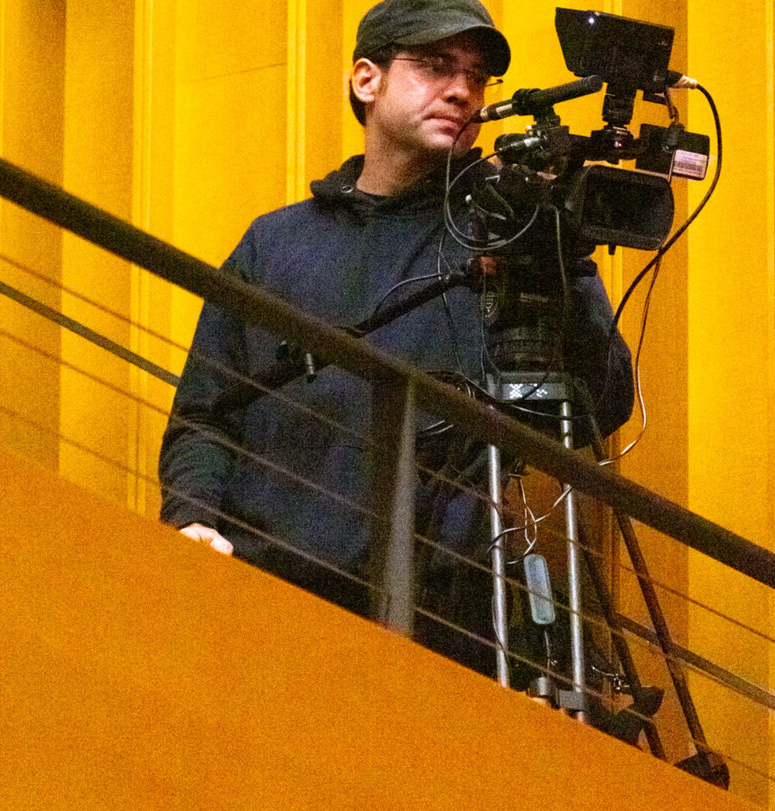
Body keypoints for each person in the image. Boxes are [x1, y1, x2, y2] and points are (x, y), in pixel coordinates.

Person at [158, 0, 633, 673]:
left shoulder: (511, 229)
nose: (462, 91)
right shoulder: (275, 244)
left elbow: (601, 404)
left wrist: (562, 260)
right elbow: (206, 412)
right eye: (436, 66)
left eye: (477, 76)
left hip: (447, 622)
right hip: (269, 601)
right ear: (366, 80)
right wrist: (192, 519)